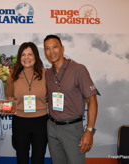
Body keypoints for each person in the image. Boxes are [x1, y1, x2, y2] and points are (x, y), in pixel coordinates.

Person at [44, 34, 99, 164]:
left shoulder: (78, 69)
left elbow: (92, 101)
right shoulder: (48, 74)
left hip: (72, 128)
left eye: (55, 47)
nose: (51, 51)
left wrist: (89, 131)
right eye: (47, 48)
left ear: (62, 49)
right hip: (52, 127)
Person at [5, 42, 48, 164]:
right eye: (23, 54)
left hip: (41, 122)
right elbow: (9, 97)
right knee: (21, 157)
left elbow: (50, 95)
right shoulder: (13, 76)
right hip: (20, 121)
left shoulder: (46, 73)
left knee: (38, 158)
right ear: (19, 57)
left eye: (30, 54)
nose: (26, 57)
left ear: (36, 56)